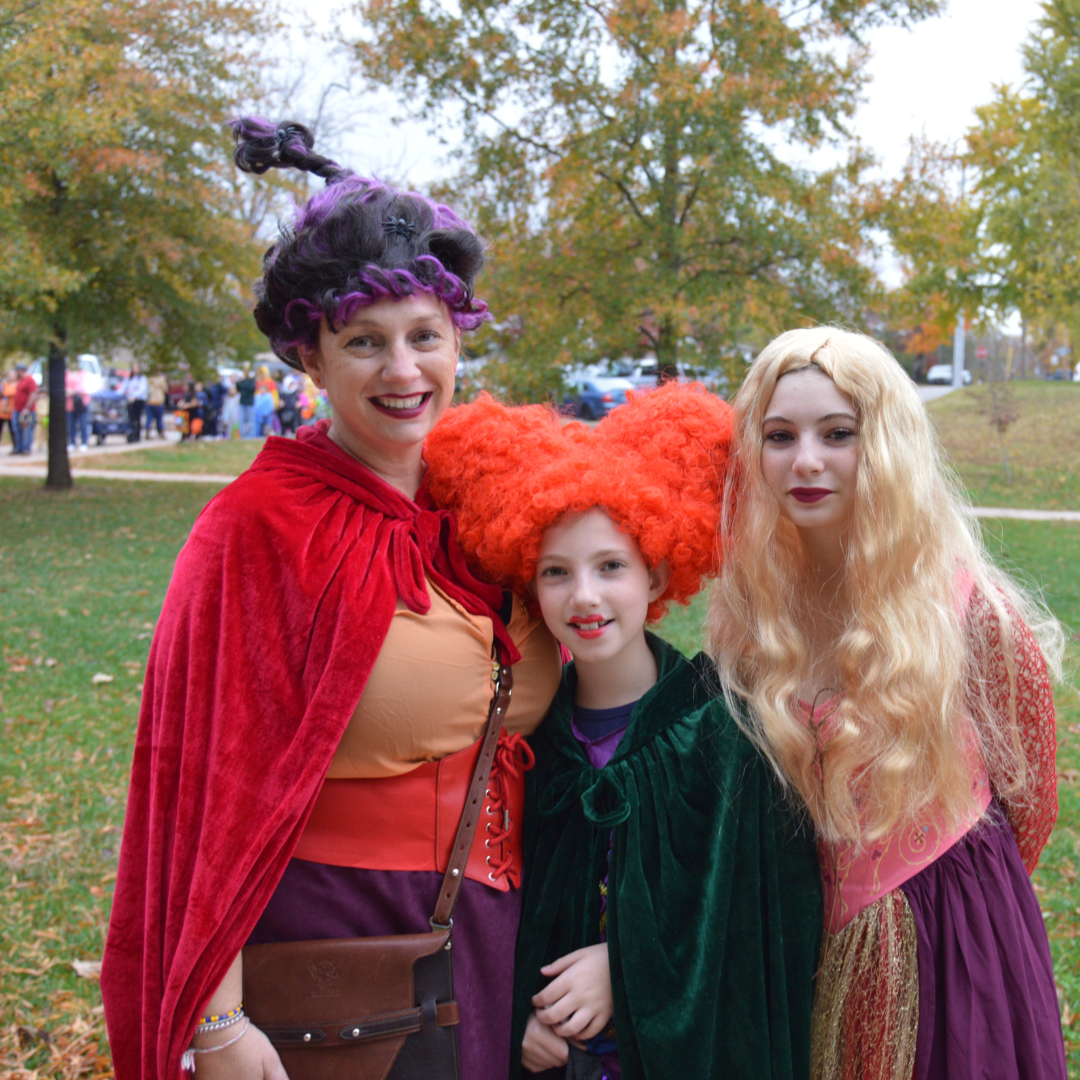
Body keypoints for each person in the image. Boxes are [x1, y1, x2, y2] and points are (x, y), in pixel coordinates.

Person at [101, 117, 562, 1080]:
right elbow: (199, 784)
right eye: (365, 341)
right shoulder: (260, 527)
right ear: (309, 357)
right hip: (337, 954)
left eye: (425, 337)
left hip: (489, 933)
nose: (404, 372)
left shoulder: (488, 503)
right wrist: (215, 1022)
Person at [425, 383, 824, 1080]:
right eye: (556, 573)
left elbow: (749, 924)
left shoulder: (720, 733)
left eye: (611, 566)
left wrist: (625, 968)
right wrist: (515, 1012)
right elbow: (494, 913)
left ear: (657, 571)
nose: (585, 596)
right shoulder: (527, 743)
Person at [707, 327, 1067, 1080]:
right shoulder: (748, 618)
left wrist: (954, 907)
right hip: (799, 948)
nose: (806, 459)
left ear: (889, 444)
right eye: (780, 435)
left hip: (957, 947)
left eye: (838, 433)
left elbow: (1030, 803)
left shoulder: (975, 614)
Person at [11, 361, 38, 455]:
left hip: (26, 410)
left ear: (20, 371)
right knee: (17, 429)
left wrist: (27, 407)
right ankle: (19, 448)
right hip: (17, 409)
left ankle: (26, 448)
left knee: (26, 429)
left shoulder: (30, 380)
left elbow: (33, 394)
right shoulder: (21, 380)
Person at [66, 368, 91, 452]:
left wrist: (73, 390)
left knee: (83, 424)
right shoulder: (66, 374)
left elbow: (84, 387)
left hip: (81, 404)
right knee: (71, 424)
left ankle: (84, 442)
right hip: (70, 404)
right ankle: (72, 442)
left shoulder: (84, 374)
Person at [125, 363, 149, 442]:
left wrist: (134, 395)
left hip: (138, 400)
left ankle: (137, 436)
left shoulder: (142, 378)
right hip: (130, 400)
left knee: (137, 418)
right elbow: (125, 387)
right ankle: (131, 434)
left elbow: (142, 389)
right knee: (131, 418)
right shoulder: (130, 378)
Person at [145, 371, 168, 438]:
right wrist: (161, 381)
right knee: (153, 418)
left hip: (157, 402)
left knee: (157, 419)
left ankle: (160, 433)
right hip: (152, 401)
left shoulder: (152, 379)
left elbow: (165, 389)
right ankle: (149, 433)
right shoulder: (152, 379)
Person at [236, 366, 256, 437]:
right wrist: (239, 381)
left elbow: (250, 388)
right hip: (242, 402)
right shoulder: (242, 381)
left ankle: (251, 435)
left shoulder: (251, 381)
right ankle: (242, 435)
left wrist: (244, 381)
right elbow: (239, 388)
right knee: (241, 420)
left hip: (249, 403)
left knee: (251, 420)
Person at [0, 368, 16, 449]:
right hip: (2, 410)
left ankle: (15, 447)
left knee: (13, 430)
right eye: (10, 375)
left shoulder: (17, 385)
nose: (11, 377)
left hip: (12, 411)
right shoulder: (4, 385)